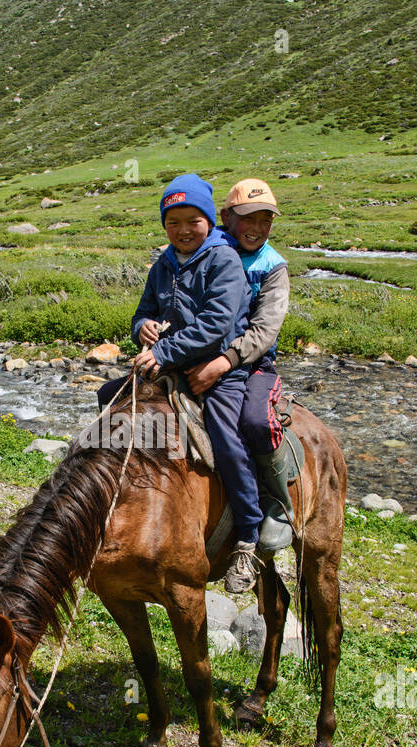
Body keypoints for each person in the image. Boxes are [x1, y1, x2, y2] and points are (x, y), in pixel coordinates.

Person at [125, 173, 265, 593]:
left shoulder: (223, 260)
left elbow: (216, 324)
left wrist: (163, 352)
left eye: (193, 220)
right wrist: (143, 329)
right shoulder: (162, 264)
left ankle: (247, 534)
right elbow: (141, 312)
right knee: (110, 401)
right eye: (173, 222)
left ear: (209, 220)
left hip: (217, 370)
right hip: (172, 364)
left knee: (225, 433)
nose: (183, 230)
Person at [182, 179, 293, 553]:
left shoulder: (273, 267)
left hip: (252, 362)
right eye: (249, 218)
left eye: (266, 220)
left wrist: (224, 362)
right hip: (196, 354)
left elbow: (264, 330)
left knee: (256, 422)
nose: (258, 228)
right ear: (227, 217)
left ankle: (276, 502)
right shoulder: (207, 250)